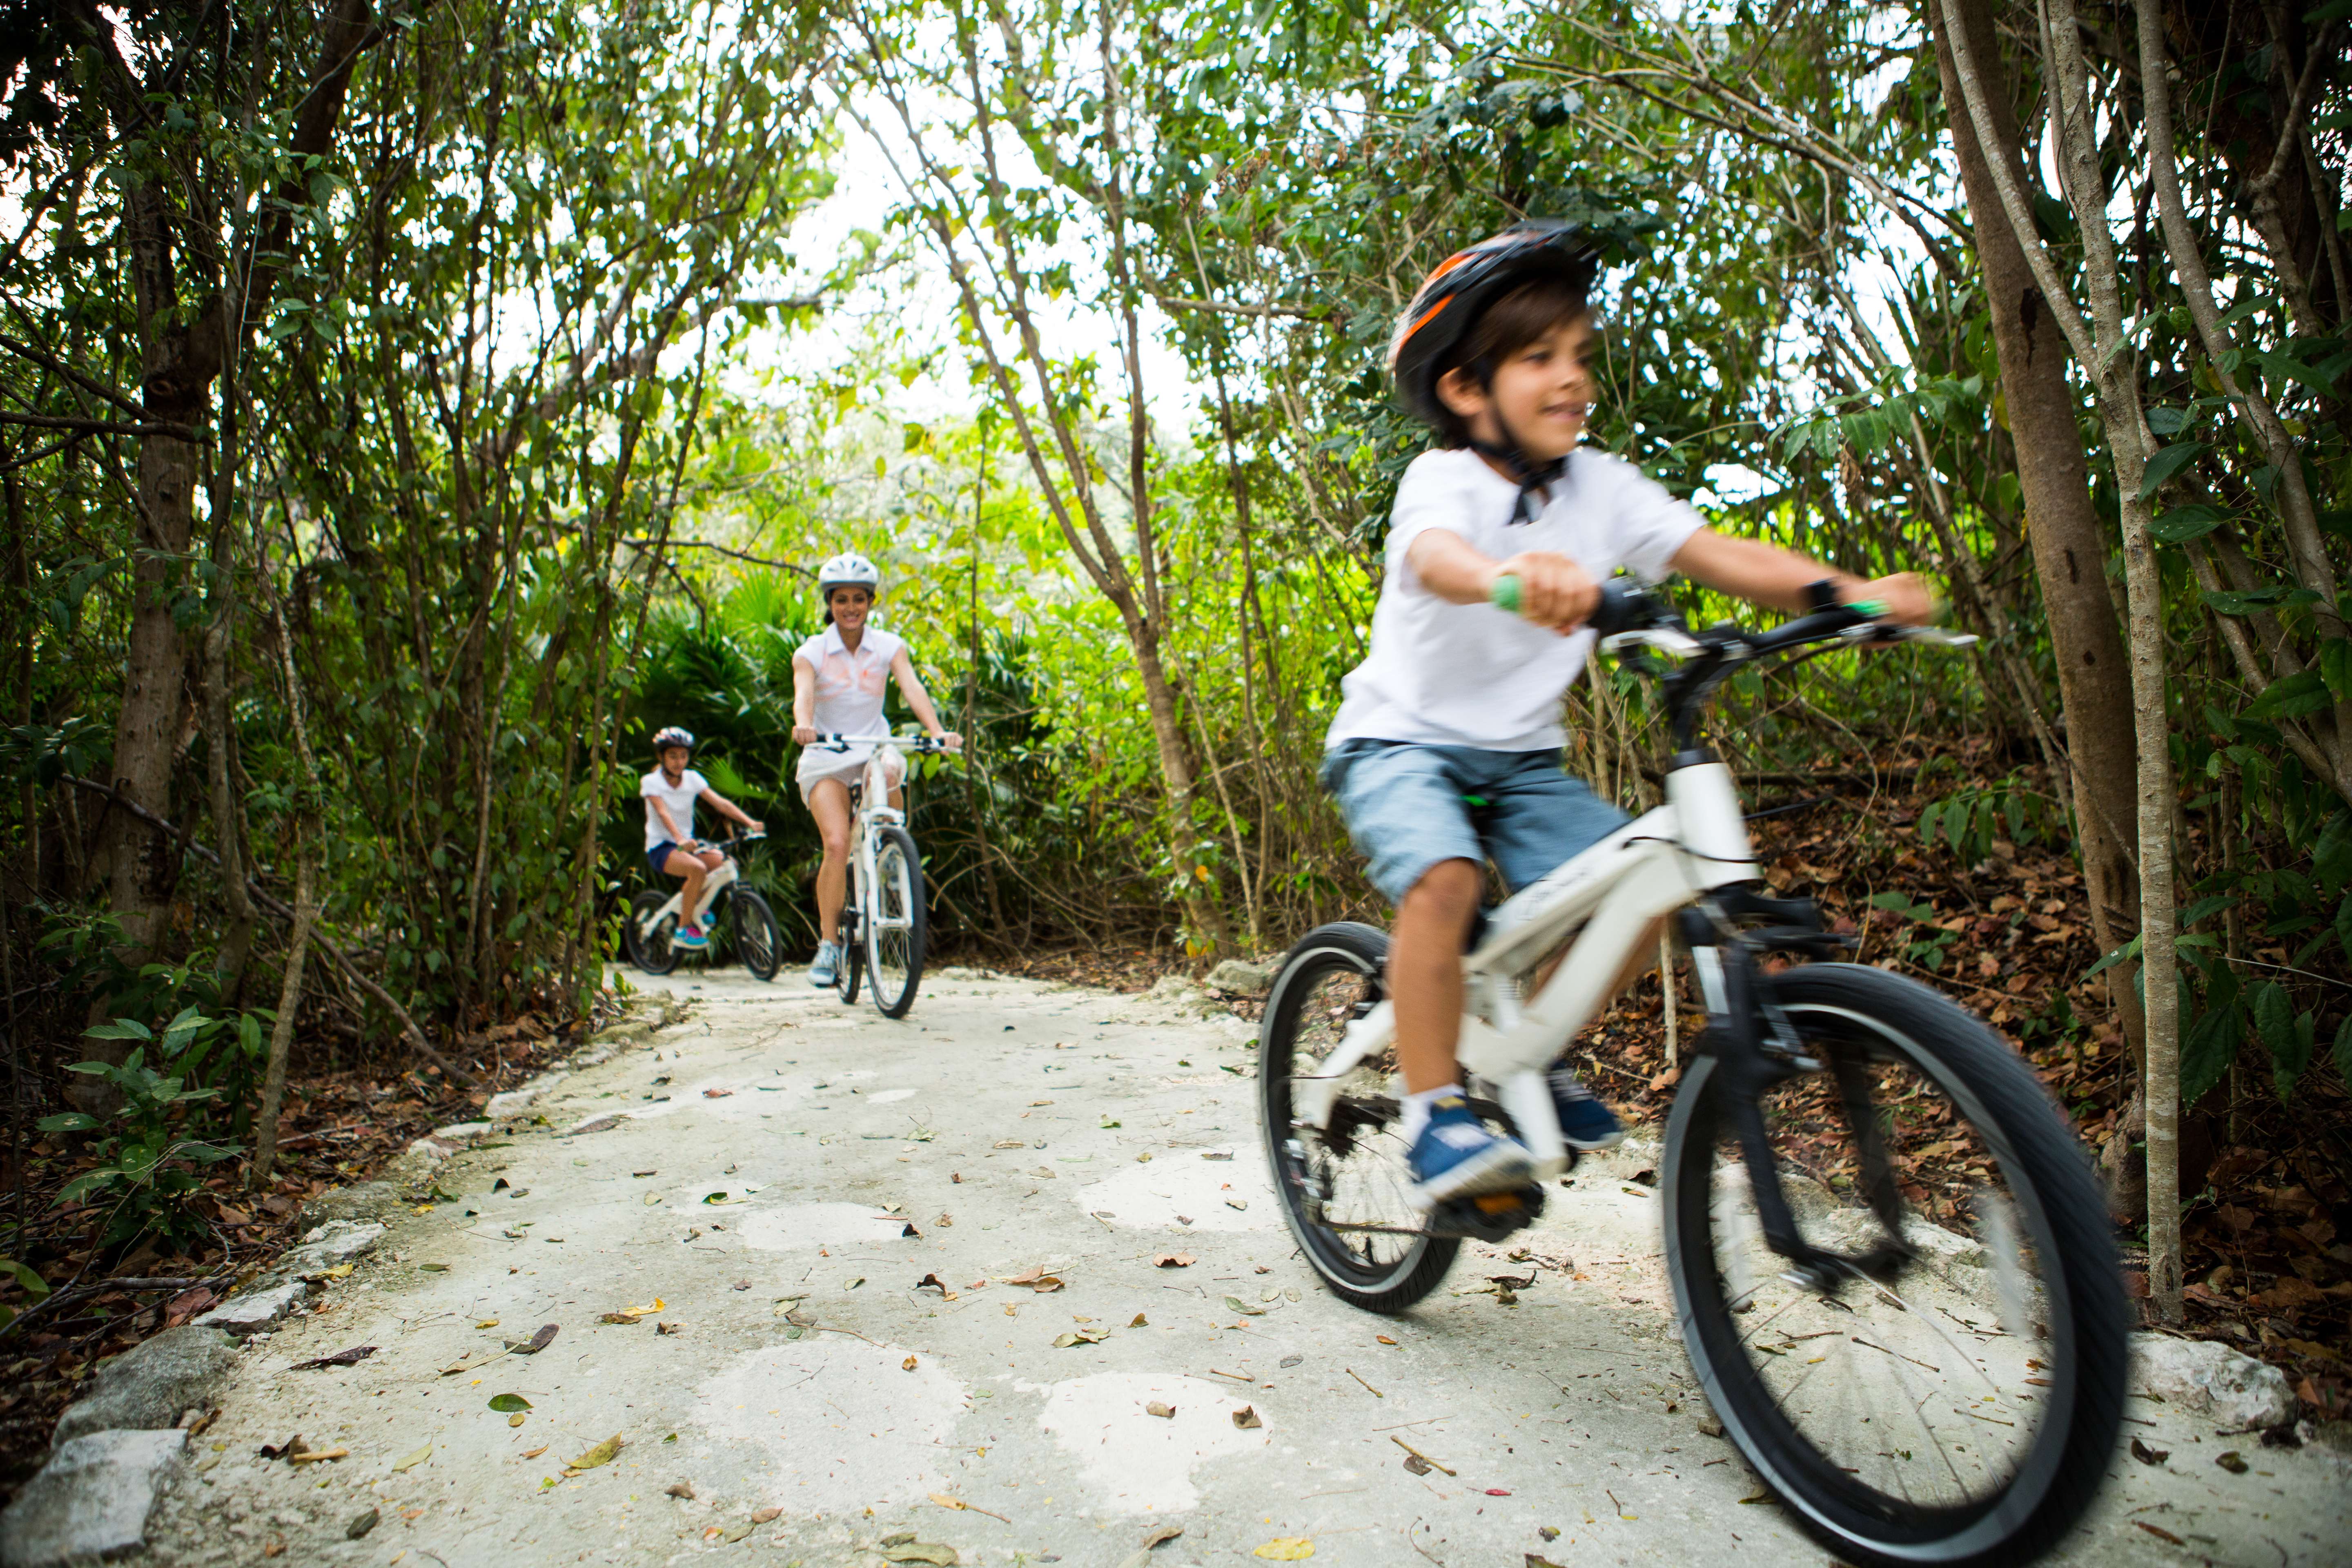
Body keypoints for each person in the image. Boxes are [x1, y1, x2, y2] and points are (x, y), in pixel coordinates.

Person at [1325, 220, 1932, 1208]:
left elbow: (1720, 553)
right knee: (1443, 880)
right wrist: (1509, 577)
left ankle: (1529, 1053)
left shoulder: (1599, 487)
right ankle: (1434, 1115)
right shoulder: (1443, 479)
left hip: (1520, 761)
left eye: (1579, 353)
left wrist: (1849, 594)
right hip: (1400, 741)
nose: (1573, 377)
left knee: (1642, 887)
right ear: (1466, 389)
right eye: (1538, 358)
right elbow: (1435, 558)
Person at [790, 552, 960, 987]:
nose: (851, 607)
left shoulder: (888, 646)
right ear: (830, 603)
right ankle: (829, 945)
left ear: (870, 602)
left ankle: (889, 853)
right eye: (841, 599)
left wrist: (937, 732)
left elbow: (911, 686)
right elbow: (803, 693)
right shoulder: (811, 652)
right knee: (836, 844)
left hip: (872, 747)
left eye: (859, 599)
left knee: (887, 771)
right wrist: (804, 725)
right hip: (826, 755)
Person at [641, 726, 764, 951]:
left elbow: (721, 803)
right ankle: (683, 929)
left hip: (687, 846)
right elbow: (663, 813)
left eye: (683, 756)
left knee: (726, 863)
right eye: (673, 756)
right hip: (662, 848)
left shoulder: (692, 778)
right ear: (661, 757)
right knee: (697, 869)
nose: (679, 762)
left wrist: (750, 822)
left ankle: (697, 903)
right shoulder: (651, 782)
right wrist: (679, 839)